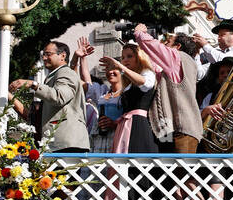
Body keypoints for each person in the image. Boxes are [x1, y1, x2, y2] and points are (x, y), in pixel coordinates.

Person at [133, 25, 205, 154]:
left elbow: (152, 46)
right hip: (174, 130)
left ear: (177, 47)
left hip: (182, 129)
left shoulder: (177, 57)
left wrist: (139, 33)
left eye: (167, 43)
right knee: (171, 172)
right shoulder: (183, 63)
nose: (163, 46)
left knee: (181, 172)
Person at [10, 41, 89, 153]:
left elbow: (60, 96)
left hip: (66, 143)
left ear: (62, 56)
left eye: (48, 54)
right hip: (60, 143)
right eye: (43, 54)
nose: (44, 57)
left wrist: (33, 84)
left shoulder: (66, 72)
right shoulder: (55, 75)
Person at [103, 43, 160, 153]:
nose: (125, 60)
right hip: (126, 124)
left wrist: (121, 67)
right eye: (123, 58)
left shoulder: (147, 74)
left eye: (130, 56)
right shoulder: (128, 83)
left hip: (139, 124)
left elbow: (145, 84)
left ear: (139, 57)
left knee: (136, 160)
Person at [76, 42, 124, 153]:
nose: (110, 72)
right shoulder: (103, 92)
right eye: (107, 68)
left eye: (114, 68)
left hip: (117, 139)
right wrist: (81, 58)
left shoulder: (128, 93)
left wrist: (114, 123)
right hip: (99, 139)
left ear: (122, 70)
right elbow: (84, 82)